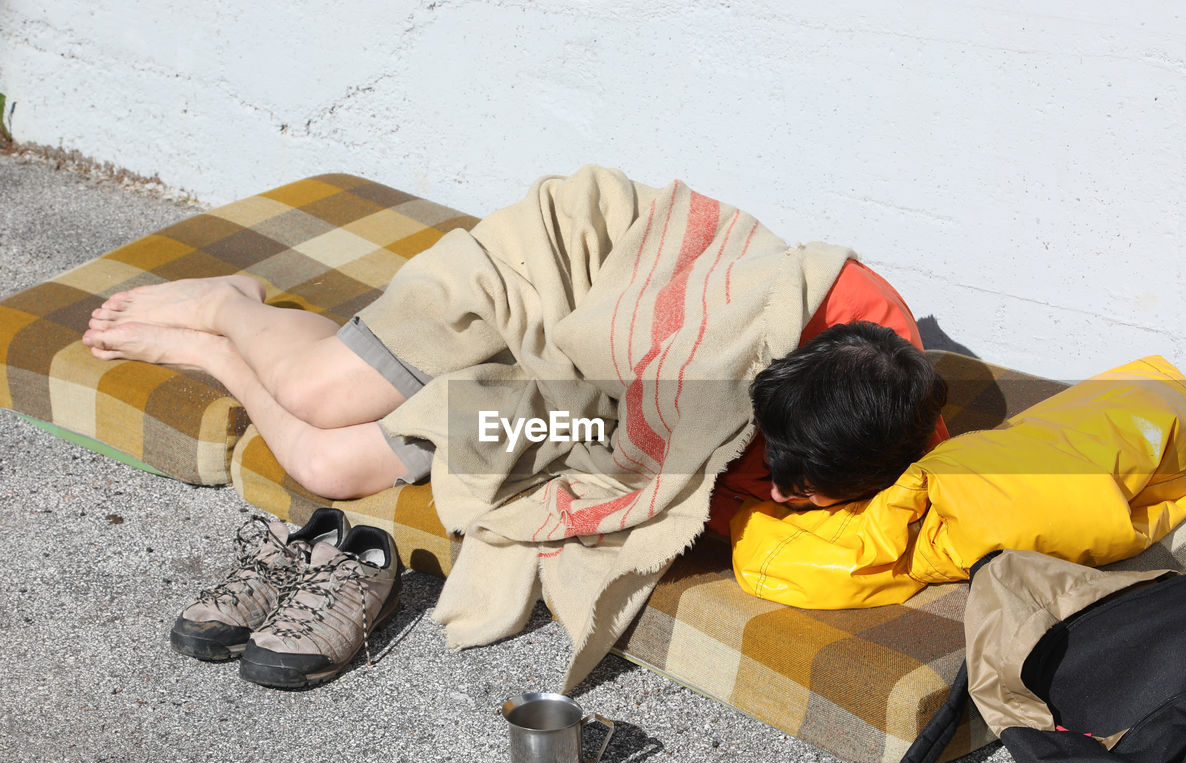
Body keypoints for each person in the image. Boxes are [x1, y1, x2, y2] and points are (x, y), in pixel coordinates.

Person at [80, 258, 948, 525]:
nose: (783, 496)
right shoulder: (780, 318)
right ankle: (232, 303)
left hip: (578, 410)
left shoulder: (891, 430)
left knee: (324, 459)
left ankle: (225, 354)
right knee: (316, 387)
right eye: (782, 475)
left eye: (798, 485)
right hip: (552, 304)